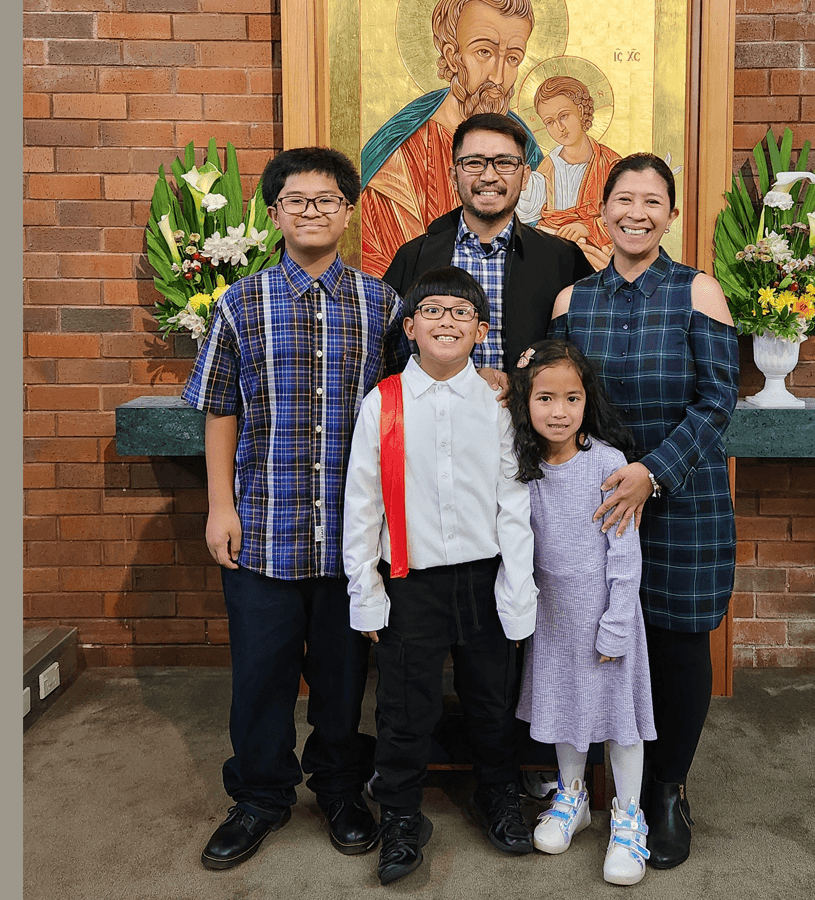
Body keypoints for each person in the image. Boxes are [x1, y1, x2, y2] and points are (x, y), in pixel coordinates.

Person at [183, 147, 404, 870]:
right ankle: (260, 796)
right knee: (261, 675)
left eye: (327, 199)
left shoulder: (381, 304)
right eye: (297, 200)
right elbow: (219, 409)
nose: (312, 211)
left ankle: (340, 788)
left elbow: (407, 407)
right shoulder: (239, 304)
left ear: (348, 211)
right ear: (274, 214)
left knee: (343, 679)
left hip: (349, 539)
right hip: (264, 529)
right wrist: (221, 506)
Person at [550, 153, 740, 870]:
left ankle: (666, 789)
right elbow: (563, 401)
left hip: (682, 497)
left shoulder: (699, 292)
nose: (636, 212)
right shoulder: (572, 302)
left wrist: (651, 475)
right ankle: (602, 789)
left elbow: (718, 401)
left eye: (652, 200)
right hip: (597, 506)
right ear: (602, 212)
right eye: (623, 199)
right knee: (600, 642)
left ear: (671, 213)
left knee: (676, 641)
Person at [343, 266, 538, 884]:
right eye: (433, 310)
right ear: (409, 327)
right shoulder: (384, 402)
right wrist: (366, 594)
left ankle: (498, 793)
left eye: (461, 313)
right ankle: (402, 813)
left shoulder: (499, 405)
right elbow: (362, 504)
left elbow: (515, 500)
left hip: (483, 579)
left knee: (491, 698)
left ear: (481, 331)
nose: (446, 321)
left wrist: (517, 586)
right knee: (406, 706)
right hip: (411, 582)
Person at [507, 338, 657, 886]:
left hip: (604, 615)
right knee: (564, 710)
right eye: (545, 398)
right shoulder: (521, 464)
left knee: (620, 722)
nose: (559, 411)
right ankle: (571, 799)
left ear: (587, 401)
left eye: (572, 398)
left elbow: (624, 554)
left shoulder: (608, 462)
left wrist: (617, 621)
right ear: (526, 401)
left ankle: (627, 815)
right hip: (553, 621)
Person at [383, 112, 593, 383]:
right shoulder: (413, 257)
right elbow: (390, 357)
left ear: (526, 176)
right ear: (453, 176)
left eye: (505, 162)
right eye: (474, 163)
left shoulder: (563, 259)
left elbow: (581, 357)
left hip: (527, 421)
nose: (489, 176)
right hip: (433, 417)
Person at [360, 0, 543, 276]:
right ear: (451, 55)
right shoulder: (401, 159)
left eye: (512, 58)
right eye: (484, 52)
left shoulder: (530, 152)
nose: (498, 76)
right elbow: (385, 271)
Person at [515, 75, 622, 269]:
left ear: (580, 111)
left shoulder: (611, 164)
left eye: (564, 116)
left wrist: (587, 227)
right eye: (549, 122)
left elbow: (624, 217)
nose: (559, 128)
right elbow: (525, 213)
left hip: (597, 255)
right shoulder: (548, 167)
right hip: (552, 255)